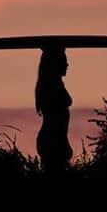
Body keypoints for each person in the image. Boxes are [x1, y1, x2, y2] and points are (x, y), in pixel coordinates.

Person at [35, 46, 73, 174]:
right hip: (52, 143)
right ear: (55, 64)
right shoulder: (51, 86)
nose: (67, 64)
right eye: (63, 60)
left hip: (53, 141)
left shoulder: (53, 84)